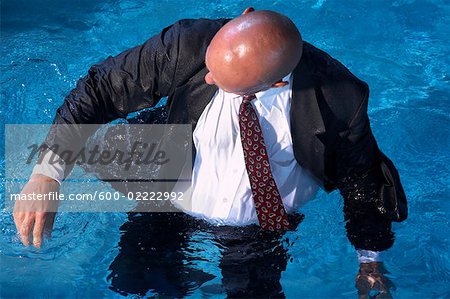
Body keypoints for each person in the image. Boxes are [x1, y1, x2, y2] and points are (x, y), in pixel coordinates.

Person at [13, 8, 407, 298]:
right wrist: (46, 174)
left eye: (227, 84)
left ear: (277, 82)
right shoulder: (190, 44)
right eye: (210, 67)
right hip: (170, 198)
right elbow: (101, 90)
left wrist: (369, 259)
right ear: (245, 14)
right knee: (134, 285)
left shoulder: (341, 98)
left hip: (260, 230)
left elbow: (364, 181)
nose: (208, 78)